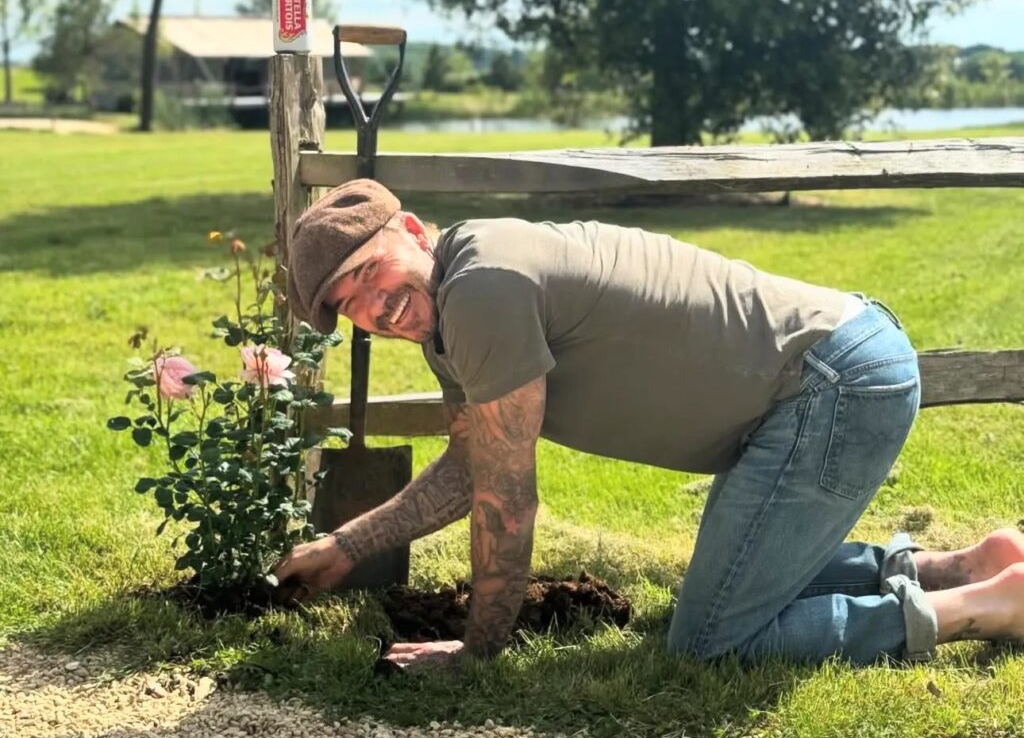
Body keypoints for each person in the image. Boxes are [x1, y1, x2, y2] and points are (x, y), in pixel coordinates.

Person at [274, 178, 1024, 671]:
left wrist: (477, 650)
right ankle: (963, 567)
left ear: (412, 229)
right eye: (348, 304)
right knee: (722, 589)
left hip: (829, 383)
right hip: (824, 371)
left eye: (369, 270)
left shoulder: (482, 290)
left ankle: (981, 608)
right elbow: (472, 467)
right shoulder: (452, 312)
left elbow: (507, 500)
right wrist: (349, 545)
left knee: (710, 640)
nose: (373, 304)